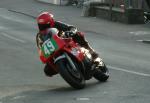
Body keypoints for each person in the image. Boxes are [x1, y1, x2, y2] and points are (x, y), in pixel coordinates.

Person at [36, 11, 98, 77]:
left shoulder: (56, 24)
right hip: (54, 52)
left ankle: (91, 52)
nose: (42, 27)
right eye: (40, 25)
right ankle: (66, 71)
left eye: (45, 25)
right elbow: (40, 48)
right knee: (47, 71)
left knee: (78, 35)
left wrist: (70, 32)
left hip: (66, 43)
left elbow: (71, 28)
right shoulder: (39, 36)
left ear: (50, 22)